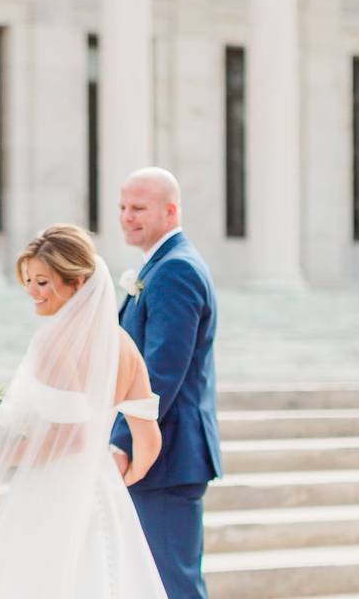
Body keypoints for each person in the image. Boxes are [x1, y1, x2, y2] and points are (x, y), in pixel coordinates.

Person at [0, 224, 167, 599]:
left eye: (43, 282)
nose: (32, 292)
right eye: (29, 280)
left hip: (50, 497)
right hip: (102, 493)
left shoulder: (53, 345)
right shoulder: (124, 345)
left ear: (77, 284)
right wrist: (117, 475)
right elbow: (148, 440)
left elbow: (70, 436)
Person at [110, 167, 223, 599]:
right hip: (159, 453)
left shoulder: (176, 270)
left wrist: (122, 442)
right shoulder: (161, 265)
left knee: (172, 583)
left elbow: (162, 371)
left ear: (171, 210)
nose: (126, 216)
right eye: (122, 207)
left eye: (138, 208)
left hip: (166, 455)